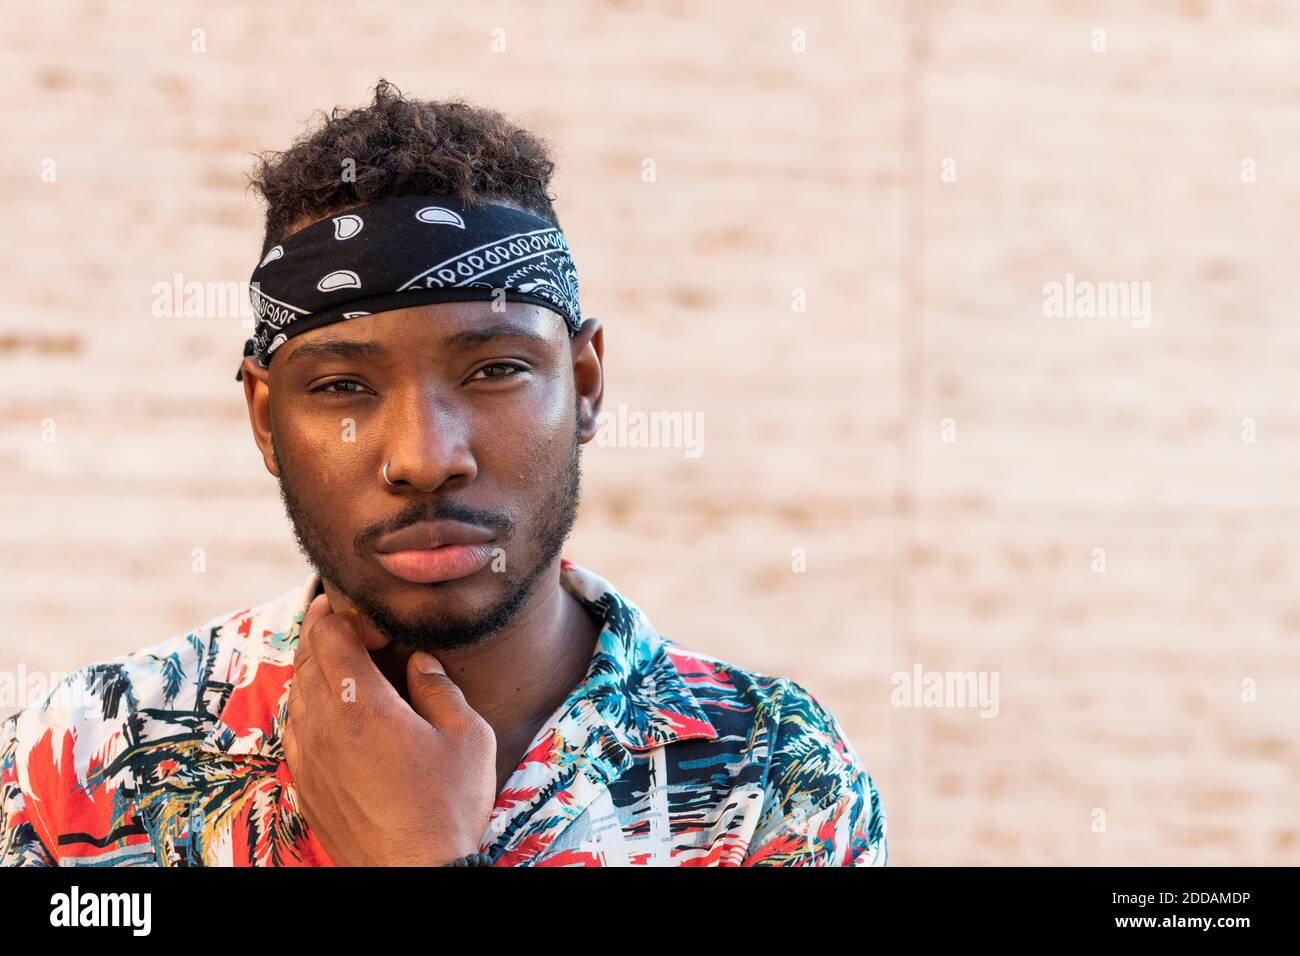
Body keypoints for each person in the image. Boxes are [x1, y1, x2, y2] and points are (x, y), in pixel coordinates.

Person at [0, 79, 887, 867]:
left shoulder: (769, 782)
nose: (426, 457)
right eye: (344, 385)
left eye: (494, 369)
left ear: (583, 384)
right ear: (267, 418)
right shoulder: (88, 762)